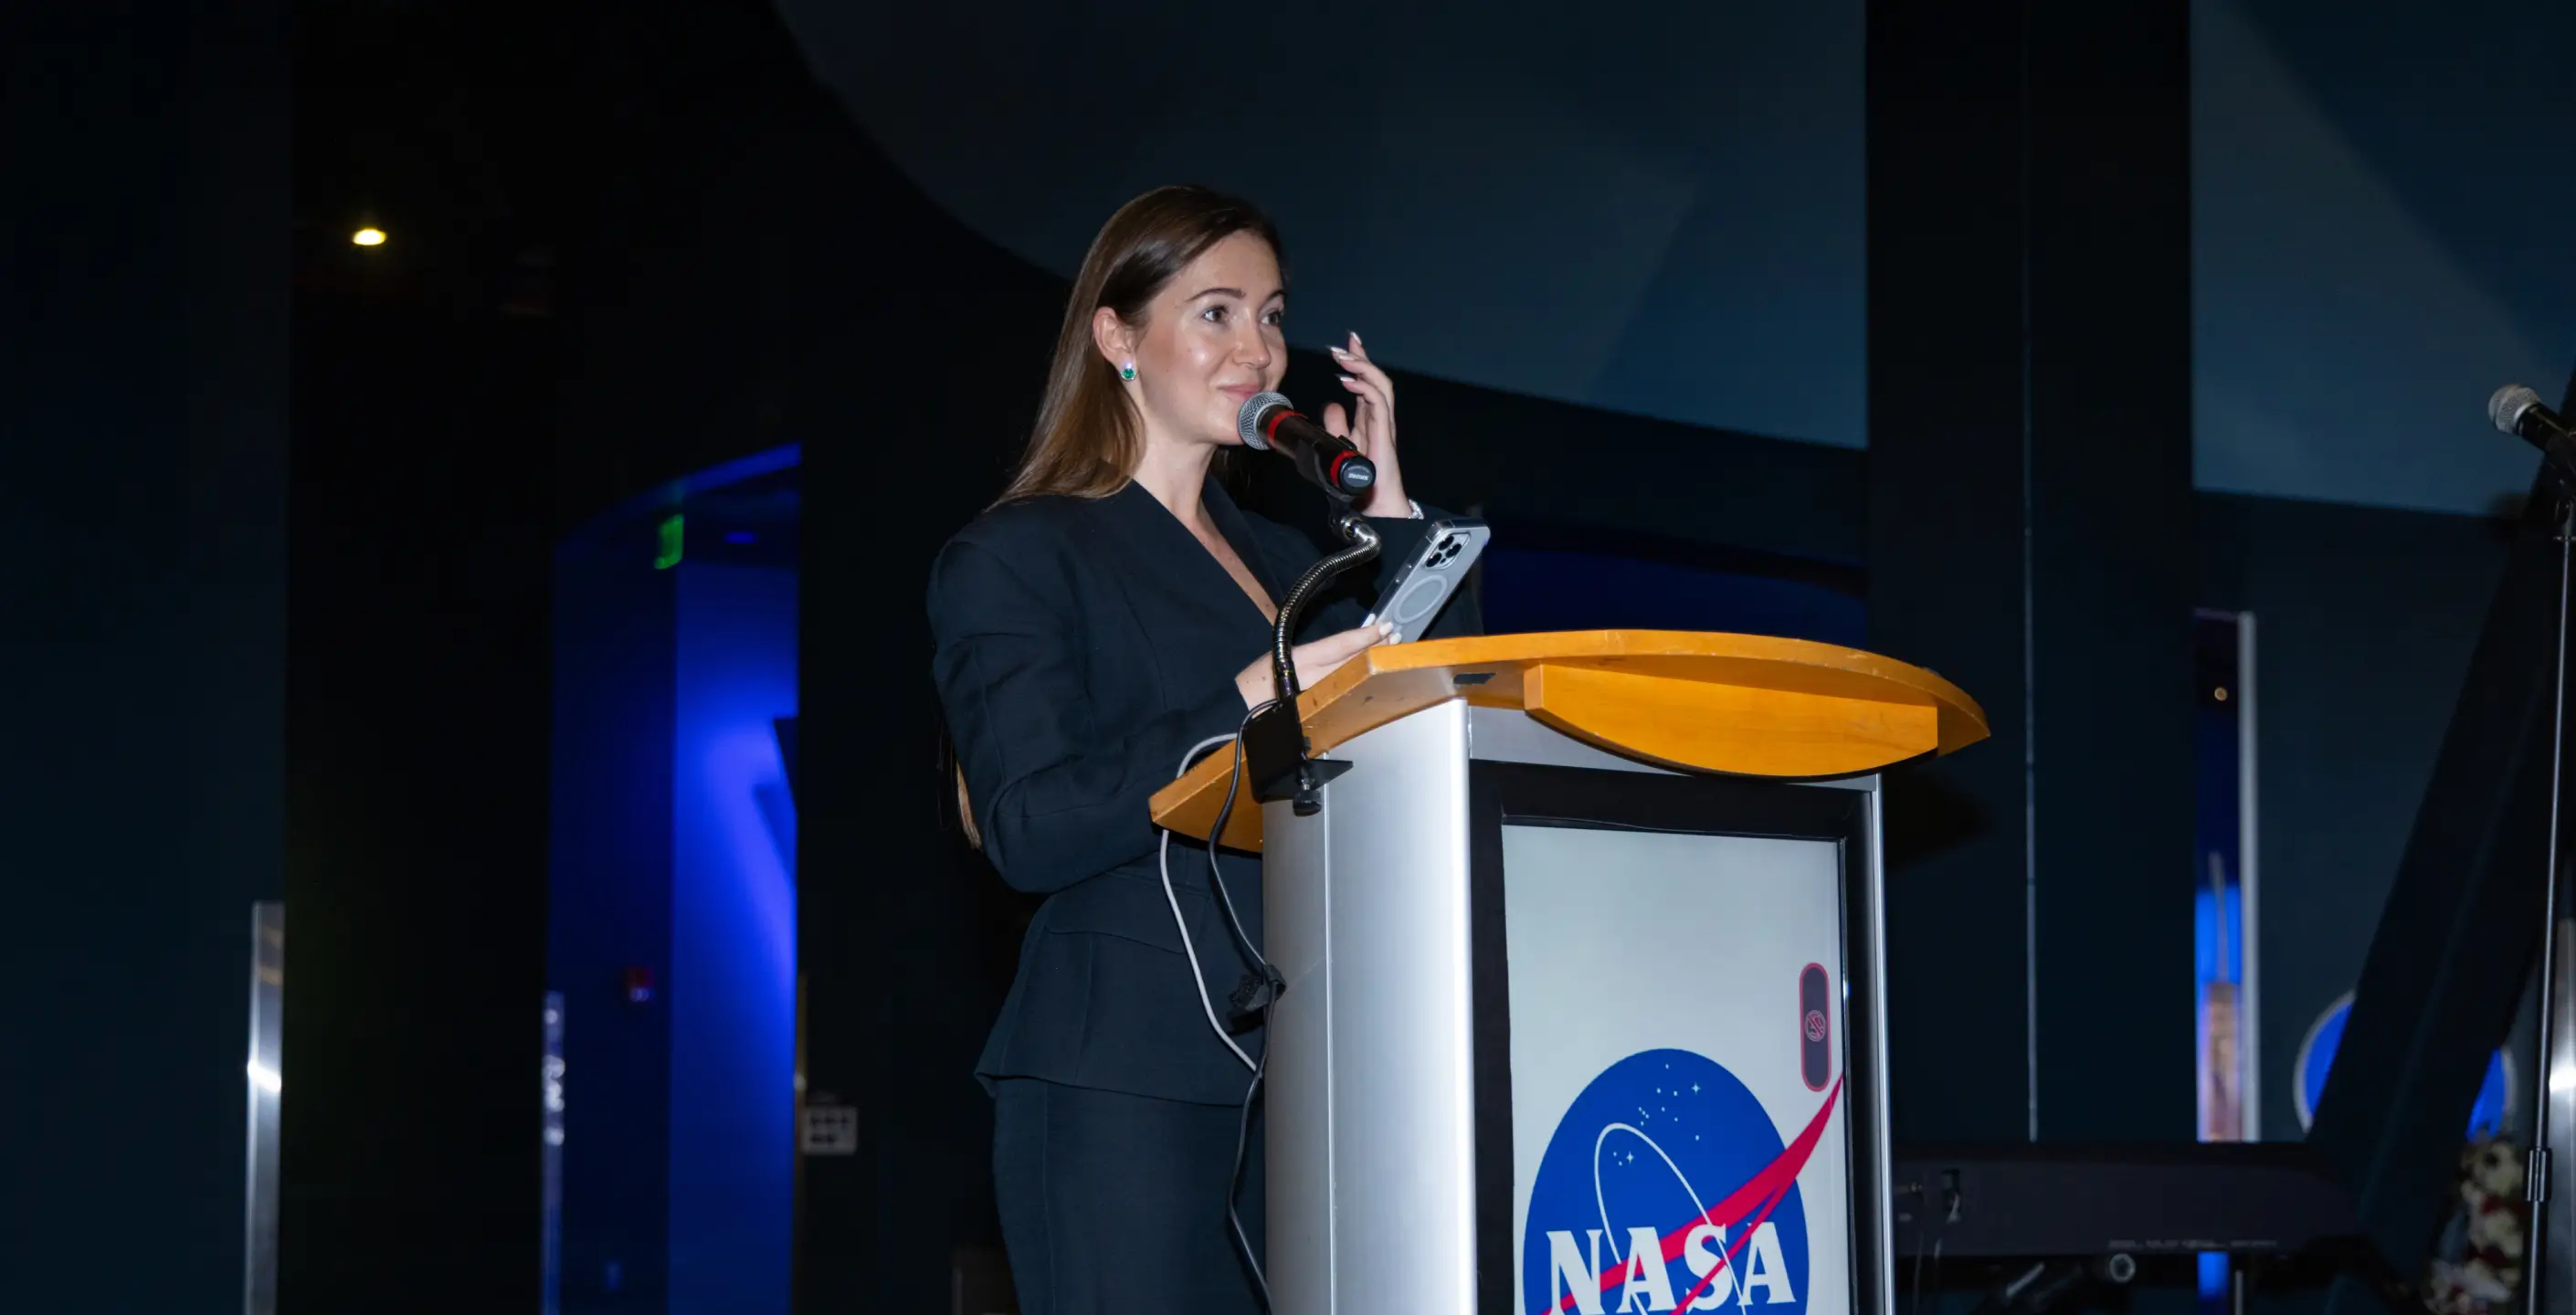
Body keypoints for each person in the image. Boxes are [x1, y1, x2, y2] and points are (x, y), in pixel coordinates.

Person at [927, 184, 1483, 1314]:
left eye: (1273, 317)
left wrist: (1395, 518)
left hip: (1305, 1073)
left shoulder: (1287, 561)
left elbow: (1438, 716)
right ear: (1117, 338)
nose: (1259, 352)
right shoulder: (1019, 555)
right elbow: (1029, 829)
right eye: (1217, 313)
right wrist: (1245, 696)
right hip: (1121, 1076)